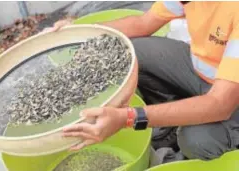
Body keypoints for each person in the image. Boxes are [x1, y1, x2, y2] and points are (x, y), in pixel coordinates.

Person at [44, 1, 239, 160]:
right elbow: (142, 24)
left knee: (196, 140)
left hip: (230, 99)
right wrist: (77, 32)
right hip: (204, 73)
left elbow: (220, 104)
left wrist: (128, 118)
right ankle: (173, 119)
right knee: (128, 51)